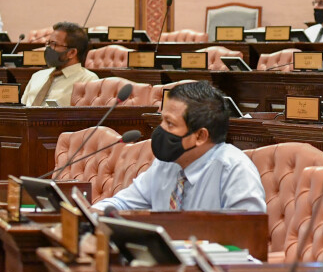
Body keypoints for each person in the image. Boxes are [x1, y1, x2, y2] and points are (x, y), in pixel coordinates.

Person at [94, 81, 265, 213]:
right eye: (162, 120)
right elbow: (121, 204)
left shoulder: (234, 170)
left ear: (200, 136)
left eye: (170, 124)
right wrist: (90, 215)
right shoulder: (167, 164)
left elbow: (246, 235)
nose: (160, 130)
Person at [19, 22, 99, 107]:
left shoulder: (88, 80)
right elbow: (22, 108)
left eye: (54, 44)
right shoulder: (37, 76)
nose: (48, 48)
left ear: (72, 52)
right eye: (48, 43)